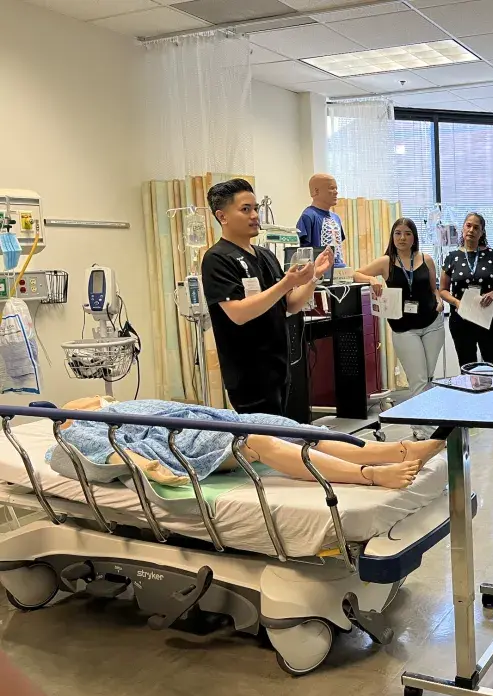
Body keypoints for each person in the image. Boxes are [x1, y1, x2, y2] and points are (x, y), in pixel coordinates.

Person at [49, 397, 444, 489]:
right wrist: (153, 468)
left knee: (288, 427)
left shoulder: (110, 406)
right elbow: (111, 453)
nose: (93, 402)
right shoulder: (72, 429)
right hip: (186, 442)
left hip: (208, 420)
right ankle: (370, 475)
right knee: (258, 442)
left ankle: (395, 450)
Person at [202, 179, 333, 416]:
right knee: (263, 436)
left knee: (281, 431)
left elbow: (290, 304)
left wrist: (314, 277)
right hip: (248, 373)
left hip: (278, 366)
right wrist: (286, 284)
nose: (254, 215)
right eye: (245, 209)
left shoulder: (265, 255)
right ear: (222, 216)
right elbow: (239, 313)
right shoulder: (217, 259)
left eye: (256, 209)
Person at [354, 218, 443, 441]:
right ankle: (427, 431)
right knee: (418, 379)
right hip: (404, 329)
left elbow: (434, 289)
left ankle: (421, 425)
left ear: (414, 237)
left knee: (427, 378)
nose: (402, 238)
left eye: (407, 233)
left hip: (432, 324)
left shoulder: (426, 259)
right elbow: (356, 274)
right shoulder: (387, 261)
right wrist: (371, 279)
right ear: (392, 237)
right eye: (398, 233)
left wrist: (440, 301)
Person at [439, 213, 493, 366]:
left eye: (476, 227)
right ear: (463, 228)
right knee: (467, 366)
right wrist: (456, 302)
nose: (471, 230)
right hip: (461, 319)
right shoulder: (452, 257)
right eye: (468, 225)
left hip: (487, 317)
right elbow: (443, 290)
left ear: (482, 232)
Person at [297, 173, 346, 267]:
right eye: (331, 188)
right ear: (316, 191)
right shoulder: (308, 216)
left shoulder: (336, 218)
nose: (336, 192)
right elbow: (303, 251)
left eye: (336, 189)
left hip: (340, 270)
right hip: (319, 271)